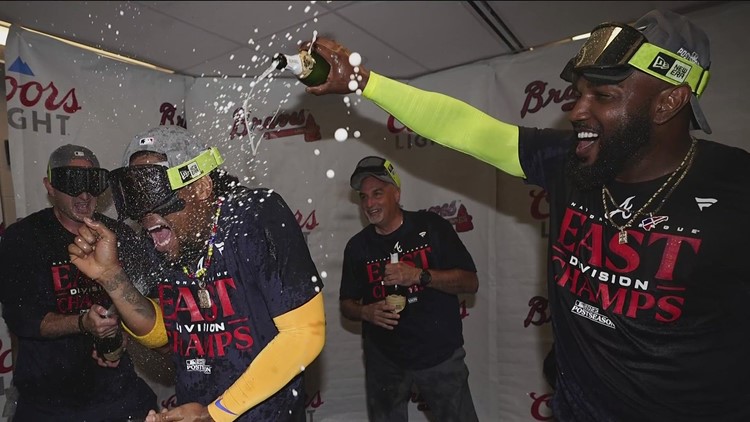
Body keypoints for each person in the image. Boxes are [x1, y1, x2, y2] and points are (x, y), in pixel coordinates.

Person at [303, 8, 750, 422]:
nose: (577, 110)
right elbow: (466, 128)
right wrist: (365, 81)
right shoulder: (569, 162)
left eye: (603, 95)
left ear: (669, 101)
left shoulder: (735, 190)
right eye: (579, 94)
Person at [67, 126, 326, 422]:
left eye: (153, 190)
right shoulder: (160, 242)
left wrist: (215, 413)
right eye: (135, 194)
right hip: (196, 410)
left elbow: (306, 333)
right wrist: (111, 276)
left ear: (201, 187)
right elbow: (167, 334)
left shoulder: (254, 217)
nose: (145, 211)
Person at [0, 144, 158, 421]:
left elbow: (148, 303)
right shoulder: (23, 239)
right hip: (48, 400)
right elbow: (23, 320)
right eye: (71, 183)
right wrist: (83, 322)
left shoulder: (121, 235)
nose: (84, 195)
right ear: (50, 186)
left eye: (92, 183)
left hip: (115, 394)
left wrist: (120, 338)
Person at [340, 156, 479, 422]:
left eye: (377, 193)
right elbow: (347, 304)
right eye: (364, 197)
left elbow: (470, 282)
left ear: (397, 193)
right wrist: (366, 312)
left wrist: (418, 275)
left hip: (439, 356)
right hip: (385, 362)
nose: (370, 204)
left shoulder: (432, 226)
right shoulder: (357, 247)